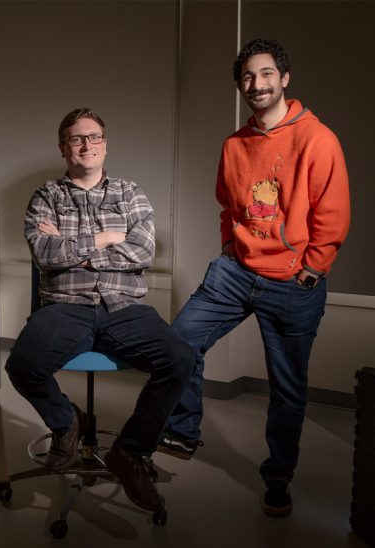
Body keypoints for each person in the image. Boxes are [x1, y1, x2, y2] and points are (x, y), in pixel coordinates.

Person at [159, 39, 350, 517]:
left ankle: (278, 475)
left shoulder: (317, 138)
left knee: (288, 387)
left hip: (293, 281)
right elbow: (228, 204)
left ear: (284, 78)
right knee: (179, 342)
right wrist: (229, 246)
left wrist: (313, 269)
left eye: (266, 74)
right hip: (236, 272)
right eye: (247, 77)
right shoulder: (235, 144)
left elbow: (333, 211)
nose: (256, 84)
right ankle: (182, 432)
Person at [5, 107, 195, 513]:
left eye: (94, 137)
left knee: (180, 358)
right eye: (77, 138)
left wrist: (76, 249)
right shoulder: (47, 196)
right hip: (65, 306)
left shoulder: (130, 193)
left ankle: (129, 453)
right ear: (63, 147)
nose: (86, 144)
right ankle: (67, 422)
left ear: (105, 144)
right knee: (22, 364)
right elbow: (44, 253)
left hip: (123, 306)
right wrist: (107, 238)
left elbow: (142, 249)